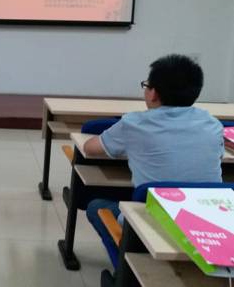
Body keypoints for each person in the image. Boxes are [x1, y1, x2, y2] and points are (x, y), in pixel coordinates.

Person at [84, 54, 224, 265]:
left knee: (97, 207)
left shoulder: (134, 124)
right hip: (211, 224)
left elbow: (90, 148)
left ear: (154, 94)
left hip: (155, 224)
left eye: (147, 85)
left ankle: (126, 271)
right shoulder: (213, 124)